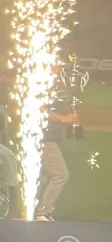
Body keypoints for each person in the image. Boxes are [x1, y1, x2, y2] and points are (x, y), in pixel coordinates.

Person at [36, 84, 79, 221]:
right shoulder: (43, 82)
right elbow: (42, 110)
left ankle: (34, 210)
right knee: (60, 175)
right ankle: (43, 212)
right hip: (45, 139)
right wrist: (65, 119)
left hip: (45, 138)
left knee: (44, 177)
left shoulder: (54, 84)